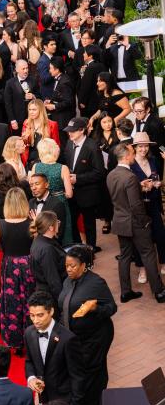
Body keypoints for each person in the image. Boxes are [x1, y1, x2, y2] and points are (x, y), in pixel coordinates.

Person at [58, 245, 117, 405]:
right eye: (66, 265)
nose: (68, 269)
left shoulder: (96, 283)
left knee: (89, 371)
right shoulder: (68, 281)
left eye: (73, 266)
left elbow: (111, 308)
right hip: (75, 337)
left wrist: (94, 308)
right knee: (93, 371)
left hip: (95, 337)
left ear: (84, 265)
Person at [107, 142, 165, 303]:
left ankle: (125, 292)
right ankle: (159, 291)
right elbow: (136, 205)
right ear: (126, 157)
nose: (134, 155)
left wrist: (139, 187)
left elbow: (119, 196)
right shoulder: (131, 176)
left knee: (125, 256)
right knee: (148, 254)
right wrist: (145, 221)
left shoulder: (111, 174)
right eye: (132, 153)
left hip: (119, 221)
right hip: (136, 223)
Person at [0, 188, 35, 354]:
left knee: (12, 303)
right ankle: (32, 338)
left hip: (10, 267)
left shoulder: (0, 224)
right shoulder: (31, 223)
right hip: (29, 265)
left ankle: (16, 341)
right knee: (30, 300)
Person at [25, 291, 85, 405]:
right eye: (32, 315)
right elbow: (29, 361)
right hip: (44, 402)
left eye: (40, 315)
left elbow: (78, 376)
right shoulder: (29, 333)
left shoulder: (68, 339)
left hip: (65, 403)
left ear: (51, 311)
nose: (35, 320)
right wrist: (31, 378)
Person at [63, 116, 105, 251]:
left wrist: (78, 178)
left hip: (88, 193)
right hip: (72, 192)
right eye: (69, 130)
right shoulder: (69, 143)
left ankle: (91, 248)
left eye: (73, 131)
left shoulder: (92, 147)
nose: (69, 133)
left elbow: (99, 172)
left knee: (89, 223)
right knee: (71, 221)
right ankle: (78, 246)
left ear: (82, 130)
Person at [131, 133, 165, 282]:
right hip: (139, 207)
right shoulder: (131, 164)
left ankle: (163, 262)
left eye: (145, 146)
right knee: (141, 239)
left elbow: (159, 180)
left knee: (160, 234)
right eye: (140, 146)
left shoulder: (153, 160)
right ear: (135, 148)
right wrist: (141, 186)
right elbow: (129, 186)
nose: (143, 149)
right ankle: (142, 269)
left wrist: (158, 184)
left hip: (154, 204)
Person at [31, 140, 73, 246]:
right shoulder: (63, 168)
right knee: (63, 233)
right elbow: (69, 194)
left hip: (42, 202)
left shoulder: (36, 167)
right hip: (60, 202)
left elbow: (32, 185)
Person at [29, 213, 67, 306]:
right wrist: (63, 302)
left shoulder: (39, 240)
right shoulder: (47, 249)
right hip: (52, 296)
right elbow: (53, 280)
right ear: (50, 227)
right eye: (57, 222)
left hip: (45, 290)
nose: (59, 223)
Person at [43, 56, 76, 144]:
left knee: (64, 142)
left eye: (50, 68)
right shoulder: (60, 78)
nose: (49, 71)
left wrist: (54, 106)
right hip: (60, 117)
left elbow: (69, 101)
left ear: (57, 69)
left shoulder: (65, 82)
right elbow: (60, 96)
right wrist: (50, 101)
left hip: (64, 118)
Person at [20, 98, 60, 171]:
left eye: (34, 110)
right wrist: (25, 139)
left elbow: (56, 146)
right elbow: (24, 145)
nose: (31, 112)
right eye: (30, 109)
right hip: (29, 161)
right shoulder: (26, 123)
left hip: (45, 162)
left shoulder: (52, 125)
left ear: (41, 110)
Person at [4, 59, 39, 134]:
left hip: (32, 118)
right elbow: (8, 103)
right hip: (17, 119)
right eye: (23, 69)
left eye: (27, 68)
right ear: (17, 70)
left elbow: (39, 96)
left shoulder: (33, 80)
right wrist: (12, 120)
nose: (26, 71)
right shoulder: (10, 83)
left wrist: (33, 96)